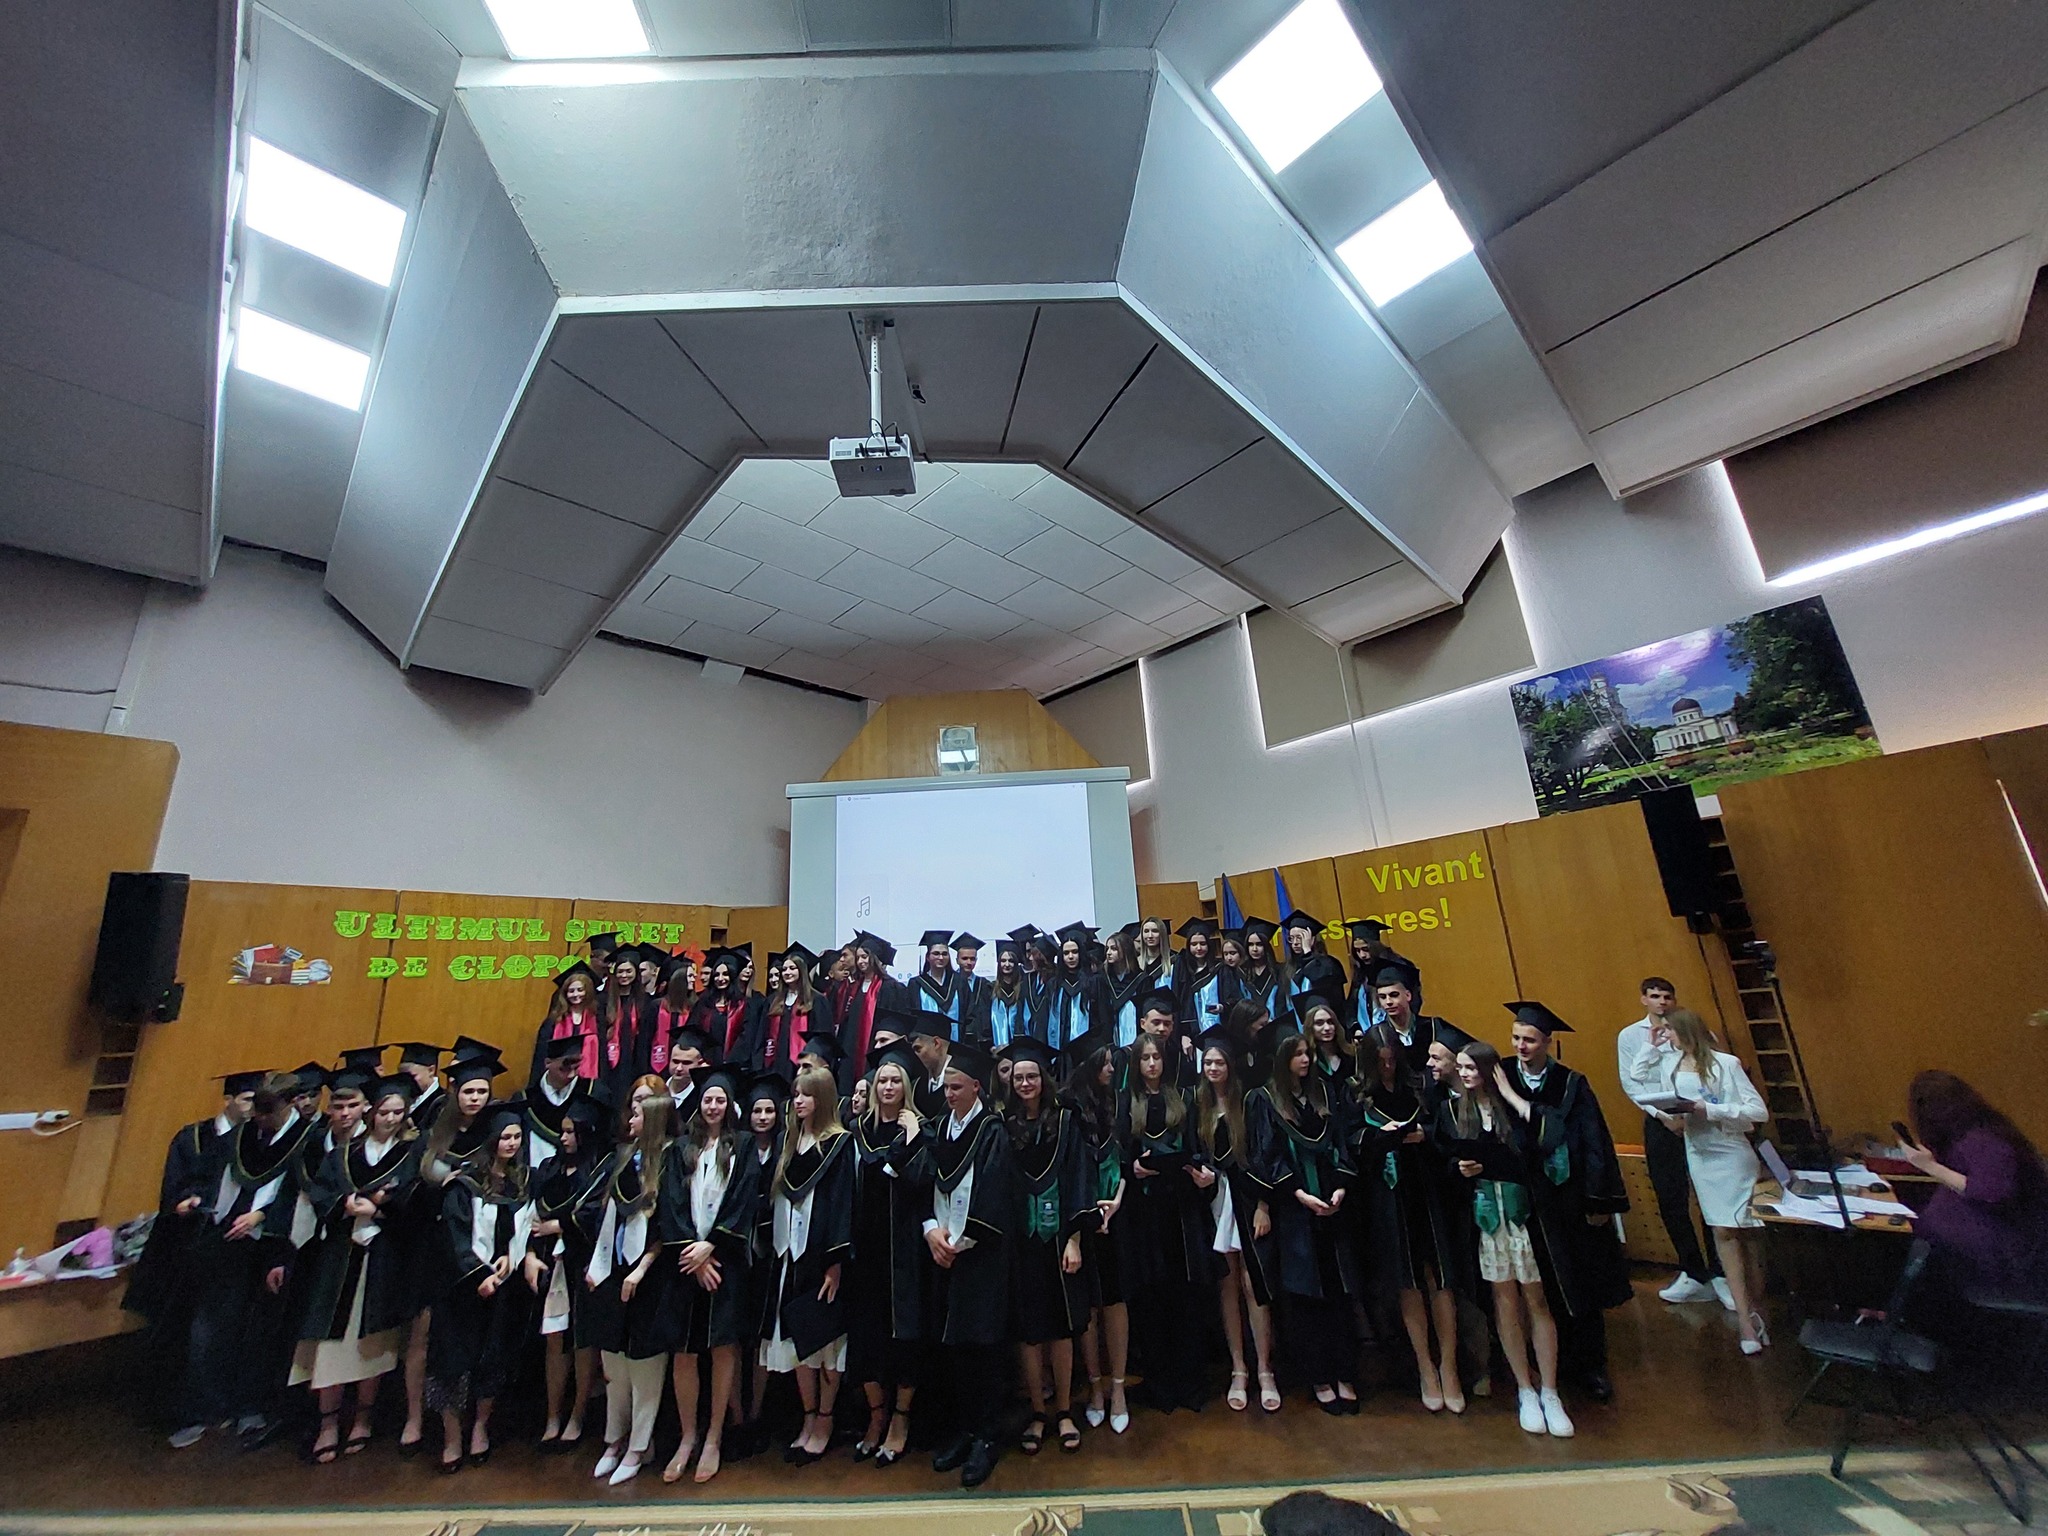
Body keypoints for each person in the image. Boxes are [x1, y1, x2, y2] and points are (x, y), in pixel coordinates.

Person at [166, 1070, 310, 1450]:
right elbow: (208, 1175)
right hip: (226, 1241)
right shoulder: (242, 1136)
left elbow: (302, 1194)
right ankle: (202, 1410)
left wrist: (262, 1217)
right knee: (210, 1329)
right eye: (257, 1109)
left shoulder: (308, 1139)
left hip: (273, 1246)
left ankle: (250, 1407)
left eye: (268, 1111)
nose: (259, 1118)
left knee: (260, 1332)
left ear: (290, 1104)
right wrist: (194, 1198)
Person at [1504, 1001, 1633, 1403]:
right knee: (1534, 1287)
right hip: (1524, 1198)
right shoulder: (1502, 1075)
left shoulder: (1572, 1083)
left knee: (1580, 1282)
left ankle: (1590, 1365)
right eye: (1516, 1038)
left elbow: (1594, 1141)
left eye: (1529, 1039)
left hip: (1567, 1198)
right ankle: (1542, 1366)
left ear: (1547, 1042)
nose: (1521, 1046)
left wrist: (1598, 1200)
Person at [293, 1072, 421, 1462]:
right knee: (331, 1345)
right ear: (371, 1112)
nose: (391, 1119)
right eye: (384, 1112)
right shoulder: (344, 1154)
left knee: (373, 1345)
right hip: (339, 1258)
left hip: (383, 1259)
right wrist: (346, 1205)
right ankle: (329, 1424)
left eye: (398, 1112)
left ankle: (363, 1419)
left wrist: (381, 1210)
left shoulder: (410, 1155)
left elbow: (416, 1203)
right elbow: (321, 1192)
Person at [1445, 1040, 1571, 1437]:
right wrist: (1460, 1168)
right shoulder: (1453, 1110)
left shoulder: (1513, 1108)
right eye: (1460, 1068)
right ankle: (1525, 1389)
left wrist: (1513, 1097)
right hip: (1487, 1218)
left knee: (1537, 1300)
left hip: (1524, 1216)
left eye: (1470, 1067)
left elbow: (1549, 1138)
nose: (1464, 1074)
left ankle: (1550, 1390)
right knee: (1504, 1301)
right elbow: (1446, 1160)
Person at [126, 1067, 261, 1429]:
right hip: (183, 1245)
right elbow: (172, 1188)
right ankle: (171, 1408)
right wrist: (184, 1201)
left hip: (226, 1249)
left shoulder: (253, 1143)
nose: (252, 1108)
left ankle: (211, 1406)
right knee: (177, 1328)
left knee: (216, 1331)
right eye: (247, 1099)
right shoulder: (193, 1137)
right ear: (228, 1099)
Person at [1354, 1030, 1471, 1415]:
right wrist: (1378, 1138)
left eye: (1393, 1059)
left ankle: (1449, 1365)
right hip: (1387, 1197)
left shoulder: (1421, 1087)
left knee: (1439, 1277)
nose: (1388, 1066)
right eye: (1381, 1061)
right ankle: (1425, 1367)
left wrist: (1425, 1135)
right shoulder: (1358, 1094)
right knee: (1407, 1280)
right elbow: (1350, 1139)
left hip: (1427, 1189)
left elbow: (1446, 1126)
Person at [656, 1063, 762, 1484]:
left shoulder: (744, 1146)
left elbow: (744, 1198)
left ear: (730, 1105)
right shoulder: (680, 1148)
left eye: (720, 1100)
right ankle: (688, 1437)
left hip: (726, 1262)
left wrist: (712, 1246)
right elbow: (670, 1203)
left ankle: (715, 1436)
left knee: (722, 1347)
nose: (713, 1106)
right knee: (683, 1352)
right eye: (707, 1100)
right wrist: (693, 1253)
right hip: (686, 1264)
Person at [922, 1040, 1019, 1490]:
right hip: (943, 1253)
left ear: (977, 1087)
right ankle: (965, 1429)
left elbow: (994, 1193)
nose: (949, 1094)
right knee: (956, 1348)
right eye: (946, 1088)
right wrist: (931, 1231)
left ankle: (987, 1435)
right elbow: (926, 1184)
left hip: (981, 1256)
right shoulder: (940, 1129)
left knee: (984, 1346)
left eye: (956, 1087)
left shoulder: (992, 1131)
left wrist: (960, 1243)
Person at [1249, 1032, 1362, 1416]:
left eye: (1308, 1053)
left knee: (1339, 1292)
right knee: (1304, 1297)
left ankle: (1345, 1373)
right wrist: (1298, 1194)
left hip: (1332, 1207)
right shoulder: (1267, 1100)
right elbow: (1268, 1154)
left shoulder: (1325, 1094)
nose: (1305, 1059)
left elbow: (1341, 1144)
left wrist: (1341, 1188)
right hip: (1295, 1211)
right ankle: (1318, 1377)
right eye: (1297, 1054)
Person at [400, 1042, 504, 1455]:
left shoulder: (497, 1137)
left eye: (481, 1092)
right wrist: (440, 1189)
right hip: (435, 1253)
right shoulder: (432, 1138)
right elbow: (408, 1194)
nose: (475, 1098)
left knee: (478, 1343)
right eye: (468, 1091)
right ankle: (426, 1423)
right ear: (454, 1092)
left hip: (480, 1256)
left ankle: (476, 1427)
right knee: (429, 1340)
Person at [1647, 1008, 1769, 1353]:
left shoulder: (1725, 1064)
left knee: (1748, 1233)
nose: (1665, 1035)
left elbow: (1757, 1111)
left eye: (1669, 1030)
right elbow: (1639, 1081)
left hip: (1731, 1154)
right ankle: (1745, 1321)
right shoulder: (1671, 1065)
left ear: (1686, 1030)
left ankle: (1759, 1309)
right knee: (1721, 1232)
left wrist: (1710, 1109)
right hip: (1699, 1156)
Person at [426, 1107, 535, 1473]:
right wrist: (478, 1275)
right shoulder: (465, 1183)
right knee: (452, 1364)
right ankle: (451, 1437)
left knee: (492, 1359)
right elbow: (455, 1235)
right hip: (461, 1289)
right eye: (505, 1137)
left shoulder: (521, 1182)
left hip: (502, 1287)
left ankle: (480, 1429)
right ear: (491, 1141)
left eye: (516, 1137)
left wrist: (510, 1258)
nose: (511, 1143)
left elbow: (522, 1228)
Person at [761, 1061, 855, 1466]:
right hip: (788, 1255)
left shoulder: (839, 1144)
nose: (798, 1101)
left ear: (823, 1098)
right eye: (796, 1094)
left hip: (820, 1258)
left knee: (826, 1342)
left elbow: (843, 1204)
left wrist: (835, 1262)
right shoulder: (790, 1143)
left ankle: (826, 1419)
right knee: (795, 1340)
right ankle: (808, 1415)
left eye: (806, 1095)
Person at [1617, 977, 1731, 1308]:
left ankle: (1722, 1272)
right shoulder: (1630, 1036)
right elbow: (1631, 1081)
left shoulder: (1692, 1028)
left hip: (1699, 1119)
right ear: (1644, 999)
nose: (1661, 1002)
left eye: (1667, 996)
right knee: (1670, 1197)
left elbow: (1715, 1070)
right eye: (1655, 996)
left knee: (1708, 1193)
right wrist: (1664, 1116)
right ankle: (1692, 1271)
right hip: (1660, 1121)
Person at [1003, 1035, 1091, 1456]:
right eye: (1019, 1077)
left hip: (1059, 1240)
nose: (1025, 1083)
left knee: (1061, 1327)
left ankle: (1064, 1409)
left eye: (1032, 1076)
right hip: (1021, 1241)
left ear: (1044, 1079)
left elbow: (1078, 1178)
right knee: (1030, 1331)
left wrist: (1074, 1238)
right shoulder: (1004, 1125)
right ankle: (1038, 1411)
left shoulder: (1067, 1122)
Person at [1117, 1032, 1213, 1414]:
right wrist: (1133, 1168)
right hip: (1144, 1213)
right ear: (1136, 1064)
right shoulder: (1126, 1103)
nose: (1152, 1064)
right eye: (1145, 1058)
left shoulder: (1183, 1099)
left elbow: (1197, 1148)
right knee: (1151, 1298)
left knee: (1184, 1296)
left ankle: (1189, 1381)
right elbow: (1121, 1153)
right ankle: (1159, 1384)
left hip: (1181, 1209)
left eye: (1157, 1057)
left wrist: (1198, 1171)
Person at [584, 1081, 674, 1486]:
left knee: (644, 1367)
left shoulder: (671, 1162)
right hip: (614, 1270)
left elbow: (669, 1224)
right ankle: (613, 1440)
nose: (631, 1118)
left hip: (650, 1277)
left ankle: (639, 1446)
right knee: (614, 1365)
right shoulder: (622, 1158)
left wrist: (641, 1270)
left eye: (637, 1114)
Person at [843, 1041, 928, 1468]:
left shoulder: (920, 1129)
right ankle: (876, 1416)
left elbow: (919, 1181)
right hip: (866, 1248)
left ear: (906, 1086)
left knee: (904, 1337)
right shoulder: (857, 1130)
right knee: (867, 1338)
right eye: (882, 1080)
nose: (888, 1086)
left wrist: (911, 1138)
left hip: (905, 1247)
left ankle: (900, 1418)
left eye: (896, 1080)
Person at [1902, 1070, 2048, 1305]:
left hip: (2006, 1260)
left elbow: (1989, 1193)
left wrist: (1930, 1167)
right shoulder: (1977, 1133)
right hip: (1986, 1252)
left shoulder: (1984, 1141)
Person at [1194, 1025, 1279, 1414]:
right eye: (1208, 1062)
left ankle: (1265, 1369)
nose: (1213, 1068)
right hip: (1216, 1202)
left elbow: (1265, 1153)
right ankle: (1238, 1369)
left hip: (1248, 1199)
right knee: (1227, 1285)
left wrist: (1264, 1205)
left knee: (1252, 1283)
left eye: (1219, 1062)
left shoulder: (1251, 1102)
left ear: (1230, 1065)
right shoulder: (1199, 1105)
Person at [531, 1096, 609, 1453]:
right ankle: (551, 1415)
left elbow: (595, 1215)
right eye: (561, 1132)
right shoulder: (548, 1168)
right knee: (554, 1337)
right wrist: (532, 1250)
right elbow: (532, 1215)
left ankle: (578, 1414)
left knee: (582, 1339)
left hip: (583, 1260)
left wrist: (560, 1225)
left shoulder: (598, 1169)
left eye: (570, 1132)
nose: (563, 1138)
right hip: (550, 1262)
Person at [1064, 1044, 1131, 1433]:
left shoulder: (1117, 1103)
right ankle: (1095, 1388)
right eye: (1103, 1062)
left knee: (1115, 1300)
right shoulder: (1068, 1109)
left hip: (1117, 1214)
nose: (1111, 1068)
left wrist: (1117, 1199)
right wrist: (1088, 1212)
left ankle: (1118, 1387)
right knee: (1088, 1304)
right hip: (1081, 1216)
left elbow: (1127, 1157)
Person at [516, 1033, 606, 1170]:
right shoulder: (525, 1100)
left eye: (576, 1068)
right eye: (564, 1069)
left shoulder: (595, 1095)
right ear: (548, 1063)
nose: (572, 1074)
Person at [834, 932, 905, 1079]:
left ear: (874, 958)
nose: (860, 961)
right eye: (858, 957)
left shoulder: (889, 987)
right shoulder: (853, 988)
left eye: (864, 957)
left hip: (875, 1046)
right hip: (852, 1049)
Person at [527, 961, 603, 1091]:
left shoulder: (598, 1019)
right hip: (557, 1082)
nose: (576, 994)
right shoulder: (553, 1021)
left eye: (580, 990)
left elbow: (602, 1056)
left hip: (587, 1083)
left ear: (588, 991)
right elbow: (542, 1055)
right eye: (571, 991)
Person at [754, 945, 827, 1077]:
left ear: (802, 970)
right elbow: (761, 1035)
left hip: (803, 1066)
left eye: (792, 968)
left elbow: (821, 1038)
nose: (787, 972)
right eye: (784, 969)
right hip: (775, 1064)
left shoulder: (816, 1000)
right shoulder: (772, 1001)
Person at [1042, 923, 1101, 1052]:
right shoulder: (1054, 984)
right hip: (1060, 1049)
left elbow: (1101, 1018)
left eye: (1075, 952)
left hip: (1088, 1050)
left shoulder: (1093, 981)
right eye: (1066, 953)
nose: (1070, 957)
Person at [1280, 911, 1345, 1009]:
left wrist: (1307, 951)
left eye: (1300, 937)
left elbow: (1319, 980)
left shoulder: (1329, 964)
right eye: (1291, 938)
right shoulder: (1290, 968)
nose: (1295, 942)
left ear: (1312, 939)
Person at [1173, 917, 1226, 1035]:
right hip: (1191, 1032)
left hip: (1218, 1029)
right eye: (1194, 944)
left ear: (1209, 944)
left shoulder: (1220, 969)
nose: (1198, 948)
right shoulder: (1183, 971)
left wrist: (1222, 1007)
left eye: (1203, 943)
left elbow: (1230, 998)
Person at [910, 930, 968, 1033]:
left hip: (956, 1039)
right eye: (936, 953)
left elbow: (968, 1012)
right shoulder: (916, 984)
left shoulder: (959, 981)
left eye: (944, 954)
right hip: (926, 1038)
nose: (941, 957)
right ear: (928, 957)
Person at [985, 939, 1036, 1050]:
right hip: (996, 1049)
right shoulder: (990, 989)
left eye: (1011, 961)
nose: (1007, 964)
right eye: (1003, 961)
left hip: (1019, 1048)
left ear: (1016, 964)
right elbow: (985, 1021)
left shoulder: (1024, 989)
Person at [953, 933, 992, 1046]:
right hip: (958, 1039)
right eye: (964, 958)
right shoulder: (950, 983)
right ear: (957, 960)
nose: (969, 962)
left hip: (980, 1041)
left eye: (972, 959)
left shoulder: (985, 984)